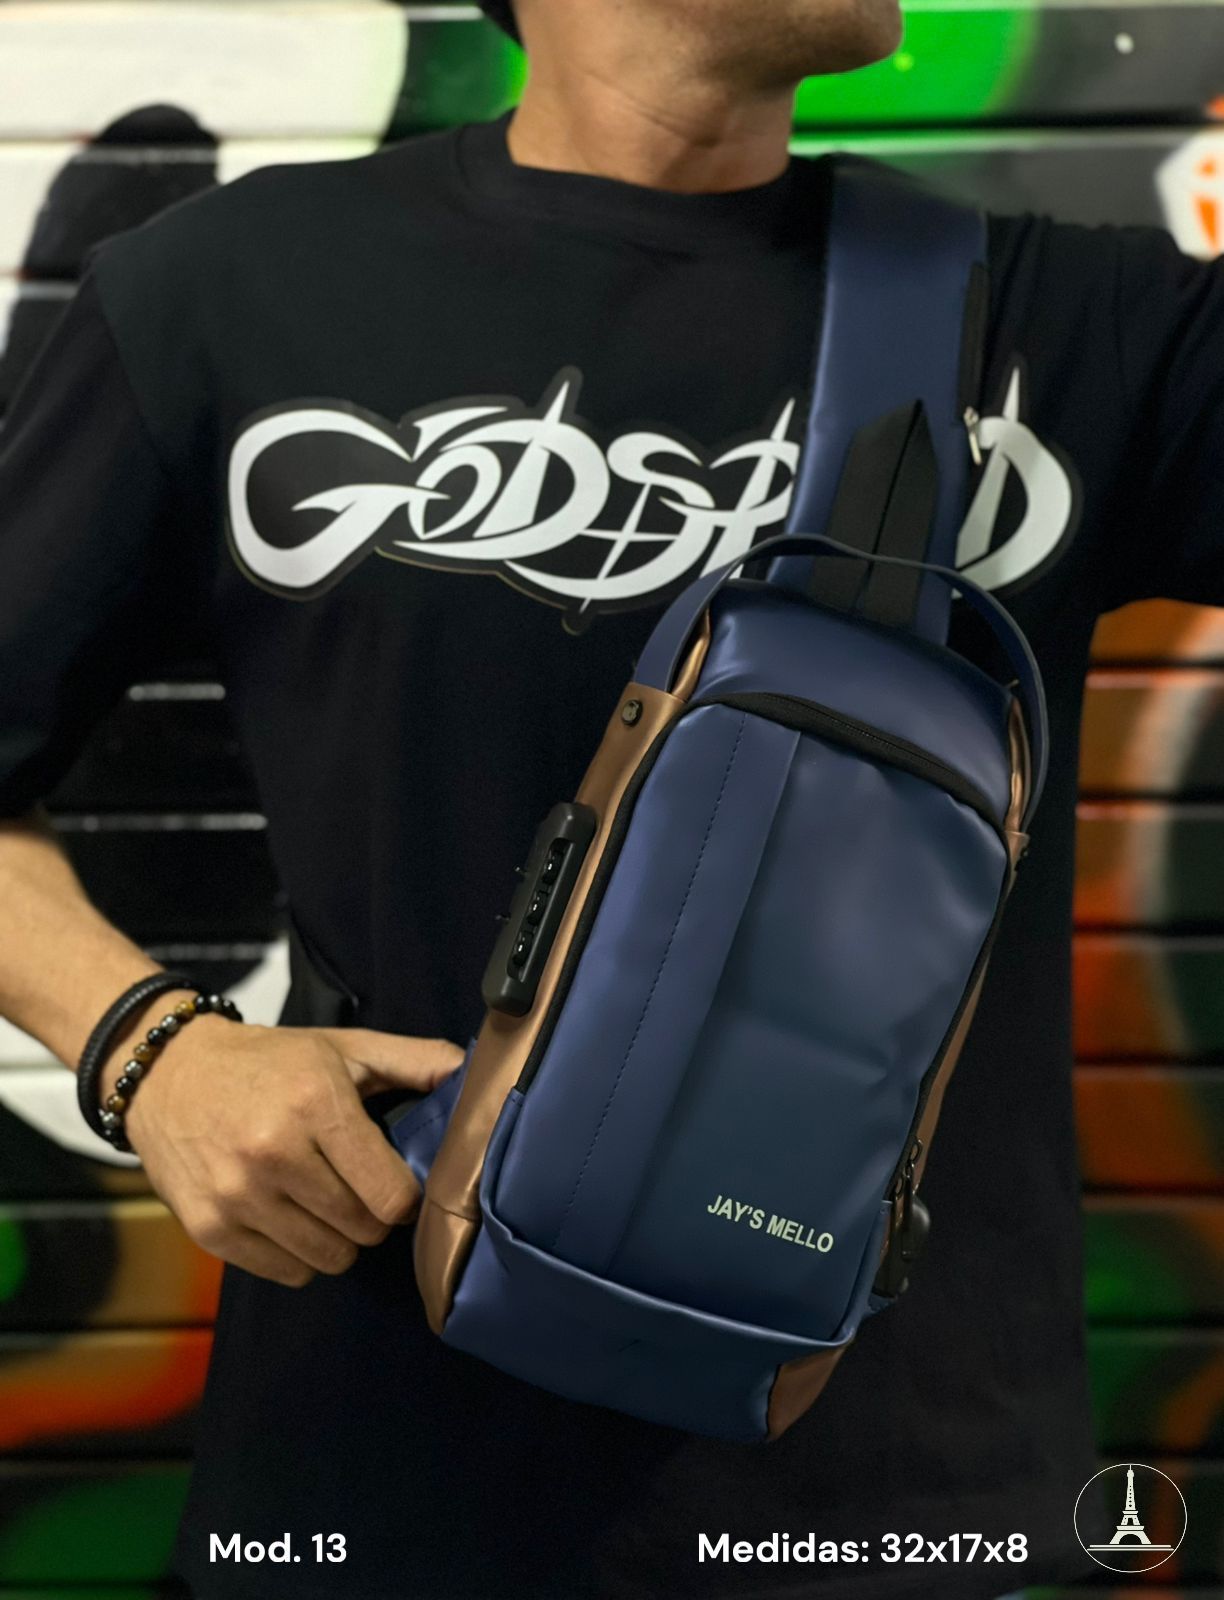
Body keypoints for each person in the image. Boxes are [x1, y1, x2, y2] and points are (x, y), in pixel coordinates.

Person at [0, 0, 1220, 1594]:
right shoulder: (225, 288)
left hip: (914, 1507)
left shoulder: (1072, 317)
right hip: (378, 1484)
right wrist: (150, 1051)